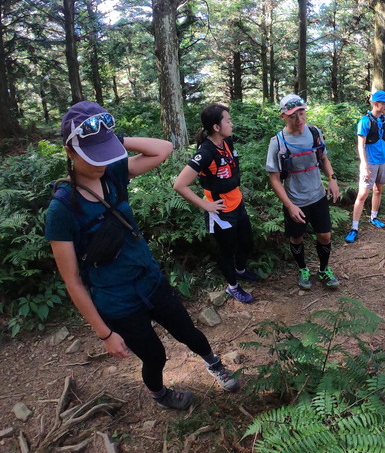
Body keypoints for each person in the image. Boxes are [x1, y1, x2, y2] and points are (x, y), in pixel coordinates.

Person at [46, 101, 238, 410]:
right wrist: (104, 333)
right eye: (91, 155)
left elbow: (163, 149)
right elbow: (72, 281)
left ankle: (213, 362)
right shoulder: (62, 210)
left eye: (104, 154)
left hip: (150, 280)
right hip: (117, 300)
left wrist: (110, 139)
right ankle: (160, 394)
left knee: (188, 331)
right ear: (70, 153)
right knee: (154, 356)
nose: (100, 163)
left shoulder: (113, 174)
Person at [174, 104, 257, 304]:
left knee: (246, 242)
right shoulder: (206, 152)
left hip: (237, 204)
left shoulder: (226, 142)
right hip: (221, 212)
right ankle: (232, 286)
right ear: (216, 127)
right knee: (227, 251)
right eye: (227, 121)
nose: (232, 123)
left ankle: (240, 270)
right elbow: (179, 184)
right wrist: (206, 206)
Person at [265, 94, 341, 290]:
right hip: (294, 199)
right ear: (283, 116)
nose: (299, 120)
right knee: (296, 237)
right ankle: (303, 269)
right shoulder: (278, 142)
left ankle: (324, 269)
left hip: (317, 195)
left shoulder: (315, 133)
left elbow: (323, 158)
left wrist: (332, 180)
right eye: (292, 116)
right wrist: (290, 206)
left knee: (325, 235)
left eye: (301, 113)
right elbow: (274, 178)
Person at [345, 91, 385, 243]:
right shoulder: (365, 121)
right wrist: (364, 165)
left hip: (383, 161)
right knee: (362, 194)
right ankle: (354, 227)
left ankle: (374, 217)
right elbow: (360, 144)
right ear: (375, 104)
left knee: (378, 190)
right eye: (384, 103)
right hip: (370, 162)